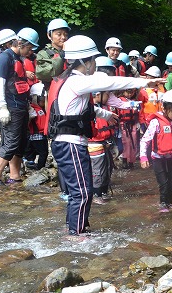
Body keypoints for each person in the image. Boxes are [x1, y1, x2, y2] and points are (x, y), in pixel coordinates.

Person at [47, 35, 161, 237]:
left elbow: (83, 109)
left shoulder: (73, 83)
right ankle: (76, 234)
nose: (94, 64)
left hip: (70, 142)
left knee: (80, 190)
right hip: (70, 143)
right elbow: (110, 82)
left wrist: (106, 114)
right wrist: (144, 83)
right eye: (92, 60)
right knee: (82, 192)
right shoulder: (76, 82)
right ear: (84, 61)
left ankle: (74, 227)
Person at [0, 31, 33, 185]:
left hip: (20, 106)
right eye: (29, 47)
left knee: (21, 141)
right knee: (11, 141)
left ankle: (14, 175)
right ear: (19, 44)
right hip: (9, 107)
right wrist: (2, 107)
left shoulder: (17, 59)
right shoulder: (4, 58)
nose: (30, 51)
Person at [88, 88, 118, 204]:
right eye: (107, 94)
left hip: (106, 142)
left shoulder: (105, 108)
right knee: (98, 170)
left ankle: (104, 191)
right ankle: (97, 194)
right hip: (95, 144)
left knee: (108, 168)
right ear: (98, 94)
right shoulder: (92, 110)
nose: (109, 97)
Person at [35, 18, 70, 85]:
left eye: (65, 34)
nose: (63, 37)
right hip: (53, 90)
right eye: (59, 34)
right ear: (49, 35)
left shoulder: (72, 52)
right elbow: (43, 74)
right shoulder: (43, 54)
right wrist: (62, 55)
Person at [115, 87, 143, 168]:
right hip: (123, 124)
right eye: (128, 92)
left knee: (133, 143)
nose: (130, 94)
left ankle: (131, 161)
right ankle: (125, 160)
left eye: (132, 92)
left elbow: (138, 113)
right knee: (126, 142)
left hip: (133, 123)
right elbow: (116, 113)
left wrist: (138, 123)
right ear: (123, 91)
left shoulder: (135, 101)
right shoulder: (119, 101)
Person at [25, 83, 49, 170]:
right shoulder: (32, 109)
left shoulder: (41, 109)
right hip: (36, 135)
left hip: (42, 134)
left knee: (41, 151)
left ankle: (34, 163)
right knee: (43, 152)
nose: (44, 102)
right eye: (42, 100)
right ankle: (39, 167)